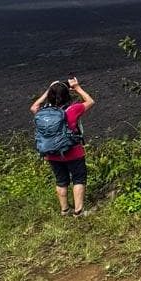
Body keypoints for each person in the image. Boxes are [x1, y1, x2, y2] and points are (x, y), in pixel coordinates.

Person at [30, 76, 95, 216]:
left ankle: (64, 210)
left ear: (50, 96)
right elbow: (90, 101)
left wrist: (49, 90)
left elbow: (33, 107)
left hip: (52, 153)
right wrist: (77, 87)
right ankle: (79, 211)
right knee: (78, 179)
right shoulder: (73, 110)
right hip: (73, 152)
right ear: (67, 95)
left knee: (61, 180)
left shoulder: (42, 112)